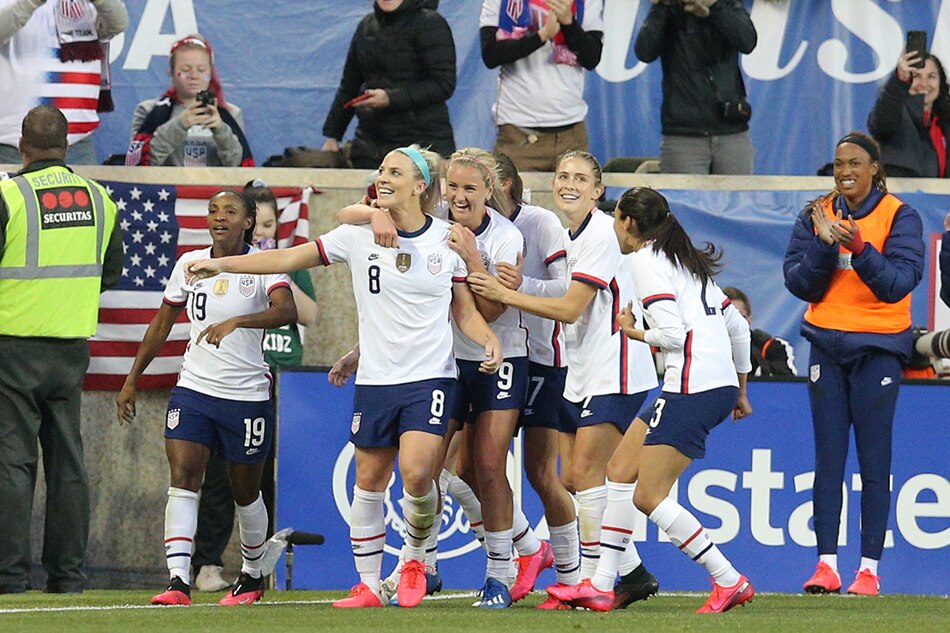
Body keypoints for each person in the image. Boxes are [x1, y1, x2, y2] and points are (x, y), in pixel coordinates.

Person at [184, 146, 503, 609]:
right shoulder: (356, 236)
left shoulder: (447, 240)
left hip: (430, 378)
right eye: (381, 170)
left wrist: (487, 338)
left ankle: (415, 557)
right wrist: (222, 263)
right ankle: (369, 585)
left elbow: (464, 312)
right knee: (369, 480)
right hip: (376, 380)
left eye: (395, 171)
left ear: (419, 185)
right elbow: (288, 259)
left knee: (416, 476)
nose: (383, 176)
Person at [548, 186, 755, 613]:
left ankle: (728, 579)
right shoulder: (685, 261)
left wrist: (632, 331)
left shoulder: (643, 260)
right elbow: (738, 328)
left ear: (626, 223)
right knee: (619, 470)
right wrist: (740, 388)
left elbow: (673, 335)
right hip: (705, 383)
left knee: (648, 496)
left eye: (616, 220)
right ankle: (603, 583)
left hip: (691, 384)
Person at [467, 151, 659, 608]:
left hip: (617, 366)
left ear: (597, 191)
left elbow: (572, 308)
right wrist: (522, 287)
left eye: (580, 178)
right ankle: (622, 572)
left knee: (585, 475)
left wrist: (507, 292)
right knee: (575, 479)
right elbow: (564, 292)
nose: (568, 184)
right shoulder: (574, 234)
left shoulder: (600, 235)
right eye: (561, 175)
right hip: (582, 369)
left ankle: (600, 580)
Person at [116, 190, 296, 606]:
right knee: (183, 479)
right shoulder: (190, 264)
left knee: (245, 492)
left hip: (247, 395)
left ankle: (251, 575)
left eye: (230, 211)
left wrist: (238, 320)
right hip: (194, 389)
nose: (219, 218)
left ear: (248, 222)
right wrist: (132, 379)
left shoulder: (264, 266)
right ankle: (178, 581)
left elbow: (287, 312)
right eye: (213, 210)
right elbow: (161, 323)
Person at [784, 131, 924, 596]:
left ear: (875, 169)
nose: (844, 171)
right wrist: (824, 245)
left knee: (873, 460)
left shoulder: (901, 216)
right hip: (826, 344)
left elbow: (897, 284)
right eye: (839, 162)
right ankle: (826, 565)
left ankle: (868, 570)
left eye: (855, 163)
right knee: (828, 458)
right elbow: (799, 283)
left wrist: (860, 249)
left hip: (879, 348)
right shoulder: (817, 213)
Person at [0, 105, 121, 594]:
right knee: (68, 463)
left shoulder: (8, 195)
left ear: (21, 146)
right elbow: (110, 272)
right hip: (70, 347)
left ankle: (8, 576)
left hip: (12, 347)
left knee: (13, 461)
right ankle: (68, 576)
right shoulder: (100, 199)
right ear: (67, 146)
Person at [190, 182, 319, 593]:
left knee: (257, 477)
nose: (262, 233)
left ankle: (257, 566)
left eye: (269, 224)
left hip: (277, 378)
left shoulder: (285, 263)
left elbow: (309, 314)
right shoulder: (217, 263)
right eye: (258, 225)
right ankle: (207, 561)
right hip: (222, 379)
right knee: (214, 477)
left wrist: (269, 266)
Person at [321, 0, 456, 168]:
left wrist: (390, 98)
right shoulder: (365, 27)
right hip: (369, 147)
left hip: (423, 147)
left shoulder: (431, 24)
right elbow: (349, 86)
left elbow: (443, 84)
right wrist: (333, 136)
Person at [479, 0, 604, 172]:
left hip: (571, 134)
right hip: (518, 135)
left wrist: (568, 23)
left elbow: (592, 58)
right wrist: (542, 35)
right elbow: (491, 55)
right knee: (509, 198)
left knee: (577, 197)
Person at [634, 0, 757, 175]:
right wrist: (661, 7)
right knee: (681, 201)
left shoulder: (727, 4)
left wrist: (714, 7)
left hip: (732, 131)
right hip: (683, 135)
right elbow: (644, 51)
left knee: (740, 200)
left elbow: (747, 41)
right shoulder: (669, 9)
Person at [0, 0, 129, 165]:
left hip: (76, 141)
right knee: (13, 191)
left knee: (83, 191)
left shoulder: (83, 4)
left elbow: (118, 23)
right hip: (17, 141)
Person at [126, 34, 253, 167]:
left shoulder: (231, 113)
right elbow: (138, 164)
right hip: (167, 186)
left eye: (201, 70)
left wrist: (220, 130)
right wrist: (179, 125)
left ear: (210, 73)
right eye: (185, 70)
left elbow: (238, 166)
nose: (194, 76)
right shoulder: (148, 110)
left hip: (215, 187)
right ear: (171, 72)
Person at [868, 50, 950, 178]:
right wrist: (898, 81)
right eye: (916, 76)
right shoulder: (895, 111)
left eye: (931, 76)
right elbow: (880, 125)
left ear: (941, 83)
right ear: (906, 80)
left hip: (939, 197)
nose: (924, 83)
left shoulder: (944, 123)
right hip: (898, 196)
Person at [722, 286, 796, 376]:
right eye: (725, 318)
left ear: (749, 320)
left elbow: (788, 380)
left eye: (739, 317)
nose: (733, 324)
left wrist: (757, 368)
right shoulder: (702, 348)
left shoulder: (770, 346)